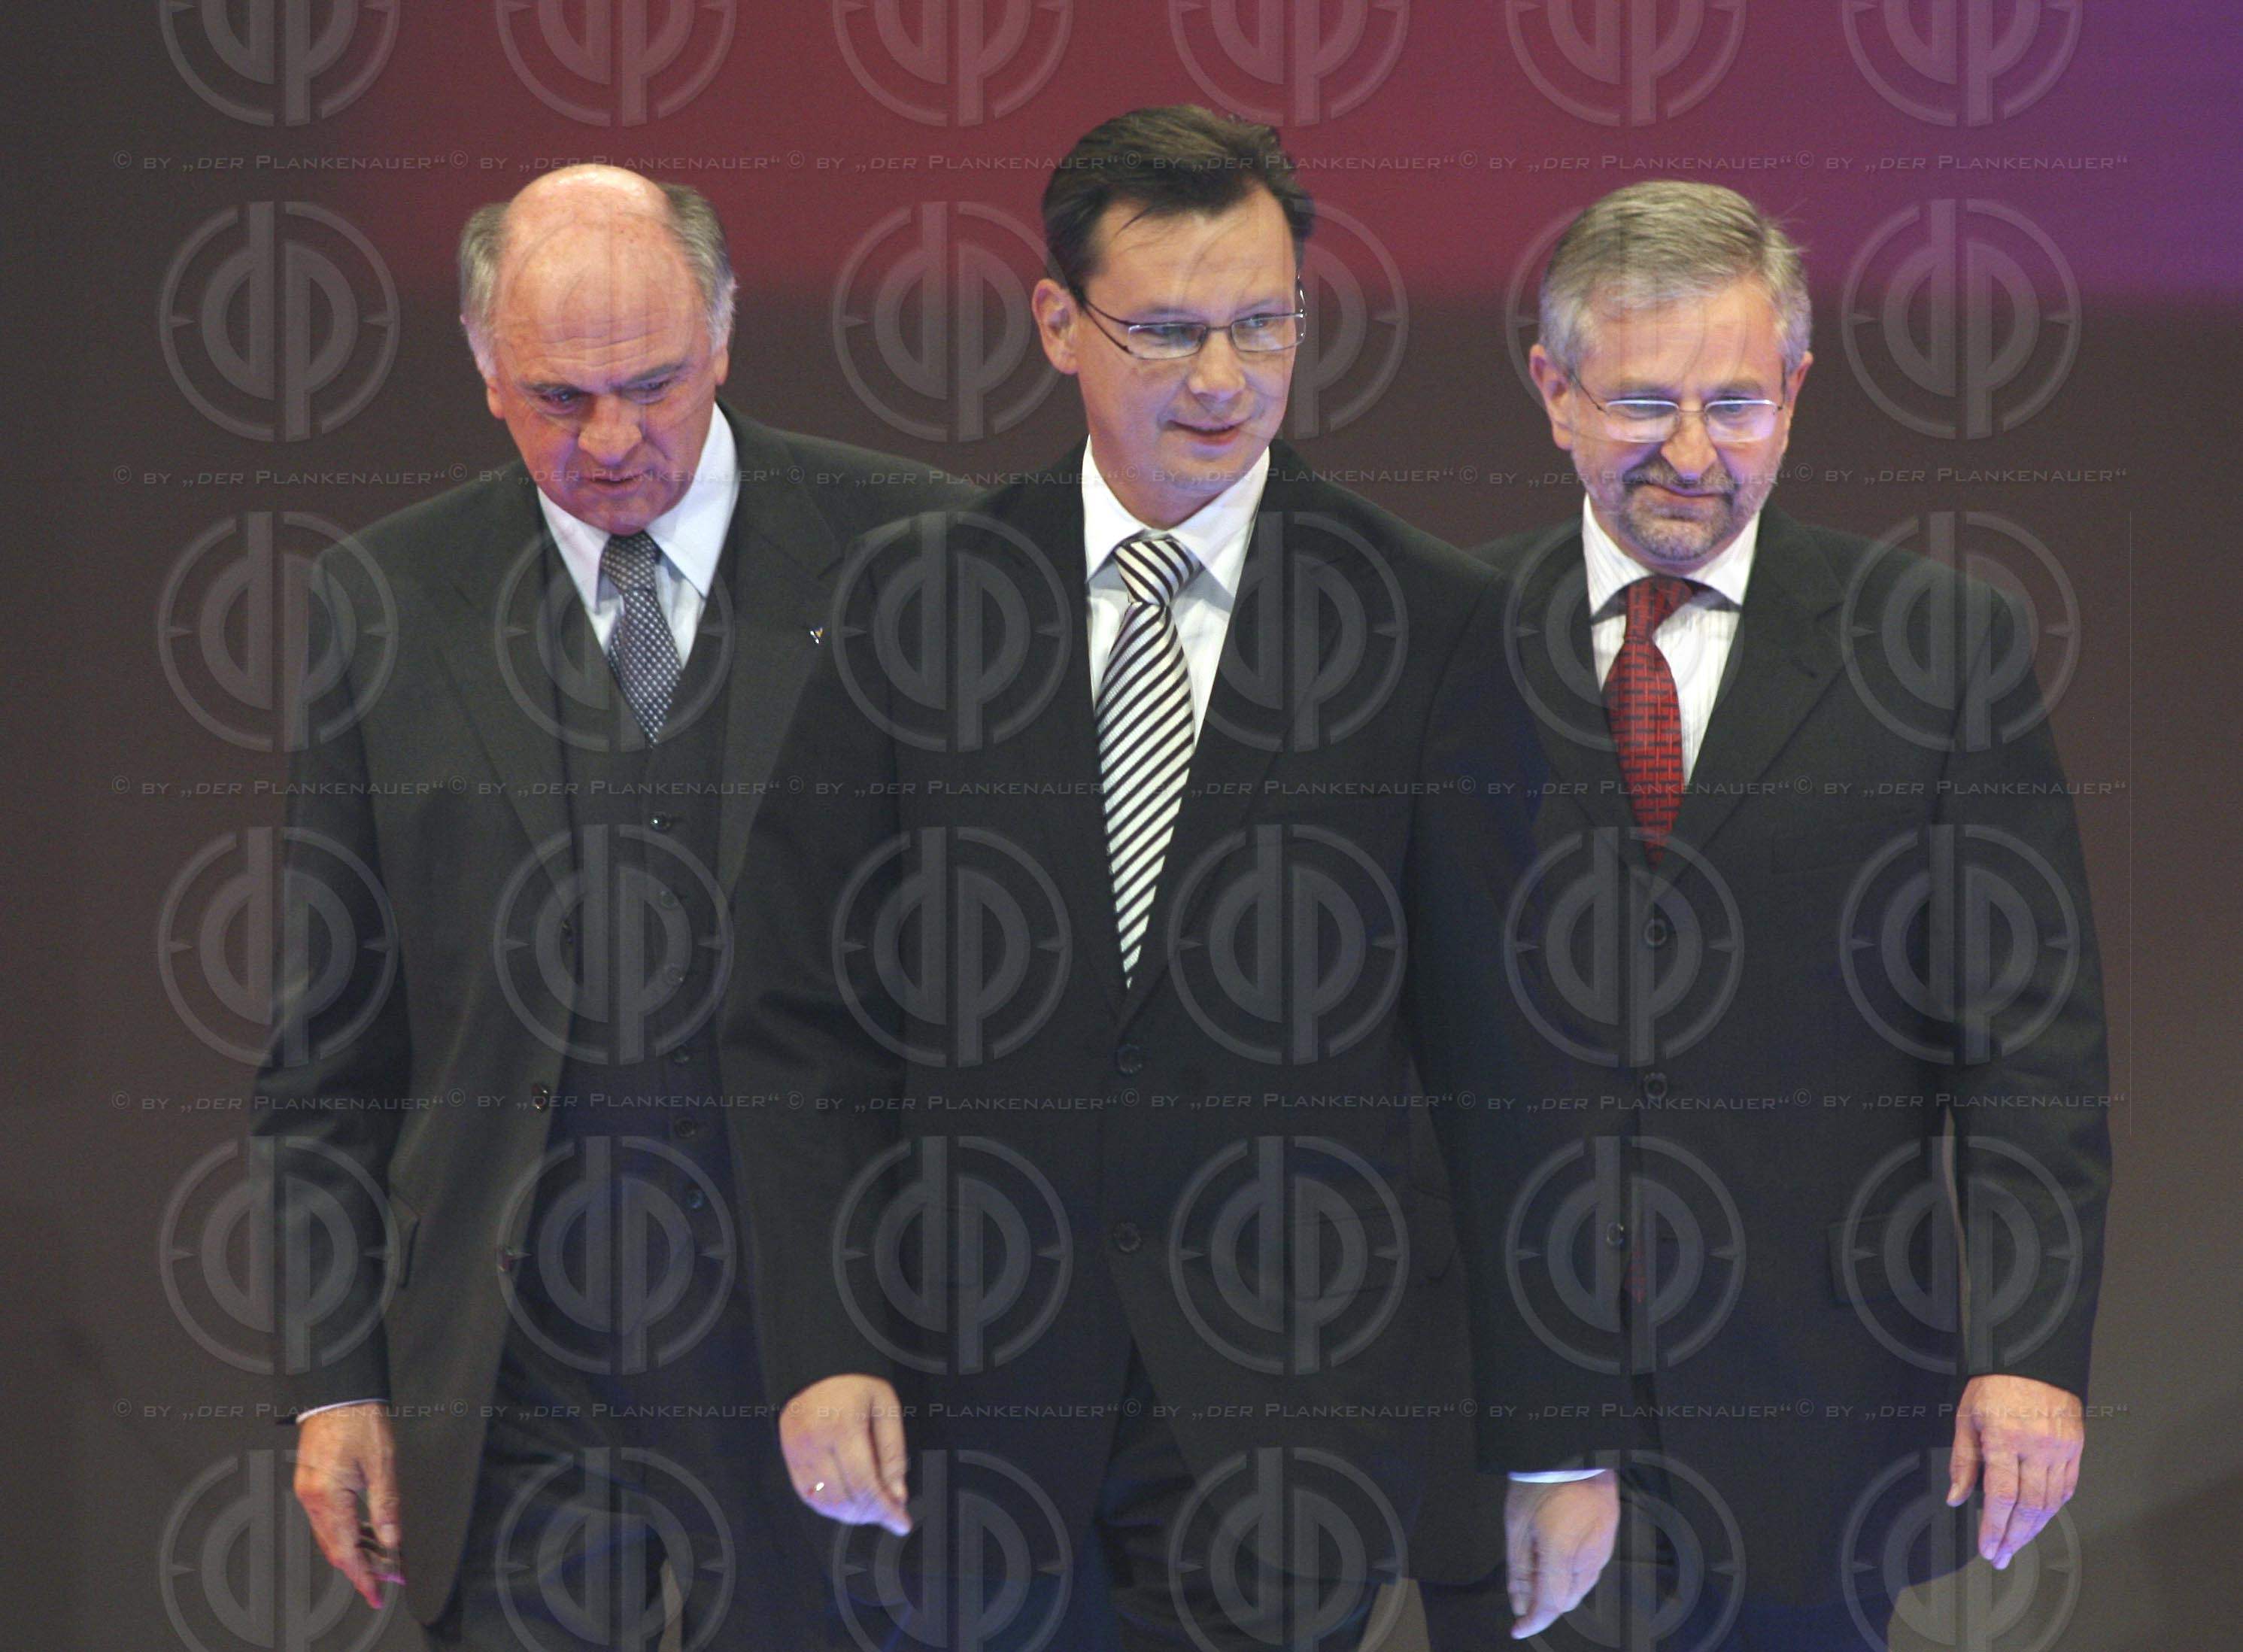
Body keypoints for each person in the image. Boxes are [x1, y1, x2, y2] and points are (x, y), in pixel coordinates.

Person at [721, 105, 1625, 1652]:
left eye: (1263, 324)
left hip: (1293, 1422)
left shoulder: (1426, 623)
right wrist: (826, 1343)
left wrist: (1555, 1440)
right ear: (1057, 323)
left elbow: (1508, 1064)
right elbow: (800, 1019)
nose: (1223, 378)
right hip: (967, 1413)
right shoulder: (915, 604)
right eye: (1167, 332)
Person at [248, 164, 973, 1650]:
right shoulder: (387, 602)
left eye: (652, 385)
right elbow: (328, 1051)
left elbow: (998, 1004)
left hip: (833, 1358)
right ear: (482, 370)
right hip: (515, 1374)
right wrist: (334, 1384)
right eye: (556, 398)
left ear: (723, 335)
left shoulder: (921, 557)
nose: (612, 440)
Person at [1472, 178, 2111, 1648]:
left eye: (1738, 405)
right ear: (1554, 393)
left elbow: (2027, 1046)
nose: (1693, 454)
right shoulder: (1443, 642)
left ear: (1798, 391)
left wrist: (2026, 1351)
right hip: (1510, 1405)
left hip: (1815, 1410)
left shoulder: (1936, 649)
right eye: (1645, 404)